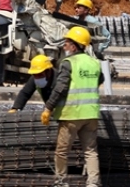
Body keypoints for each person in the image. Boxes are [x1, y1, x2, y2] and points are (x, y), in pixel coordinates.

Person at [42, 26, 104, 187]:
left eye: (67, 42)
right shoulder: (94, 63)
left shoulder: (68, 63)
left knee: (62, 151)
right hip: (91, 114)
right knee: (90, 151)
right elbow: (100, 79)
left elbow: (60, 88)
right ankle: (93, 183)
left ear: (75, 45)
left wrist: (48, 107)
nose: (64, 45)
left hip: (71, 115)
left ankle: (61, 182)